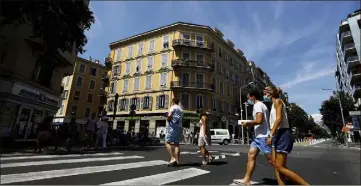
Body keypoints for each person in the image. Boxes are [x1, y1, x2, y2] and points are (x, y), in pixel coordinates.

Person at [264, 86, 309, 185]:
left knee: (280, 167)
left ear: (269, 93)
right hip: (277, 134)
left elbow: (279, 119)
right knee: (276, 165)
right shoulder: (273, 104)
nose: (264, 96)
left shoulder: (278, 102)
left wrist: (271, 136)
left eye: (264, 93)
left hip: (282, 133)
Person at [234, 90, 273, 185]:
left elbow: (259, 120)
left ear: (253, 97)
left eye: (248, 97)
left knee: (272, 161)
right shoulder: (262, 105)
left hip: (263, 137)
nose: (248, 100)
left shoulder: (257, 105)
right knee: (251, 155)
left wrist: (248, 123)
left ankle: (287, 177)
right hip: (257, 137)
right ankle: (247, 179)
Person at [165, 97, 184, 166]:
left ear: (173, 101)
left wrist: (168, 118)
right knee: (176, 144)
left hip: (173, 127)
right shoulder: (181, 109)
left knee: (167, 142)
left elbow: (169, 115)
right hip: (179, 127)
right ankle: (177, 161)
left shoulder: (173, 107)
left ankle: (173, 158)